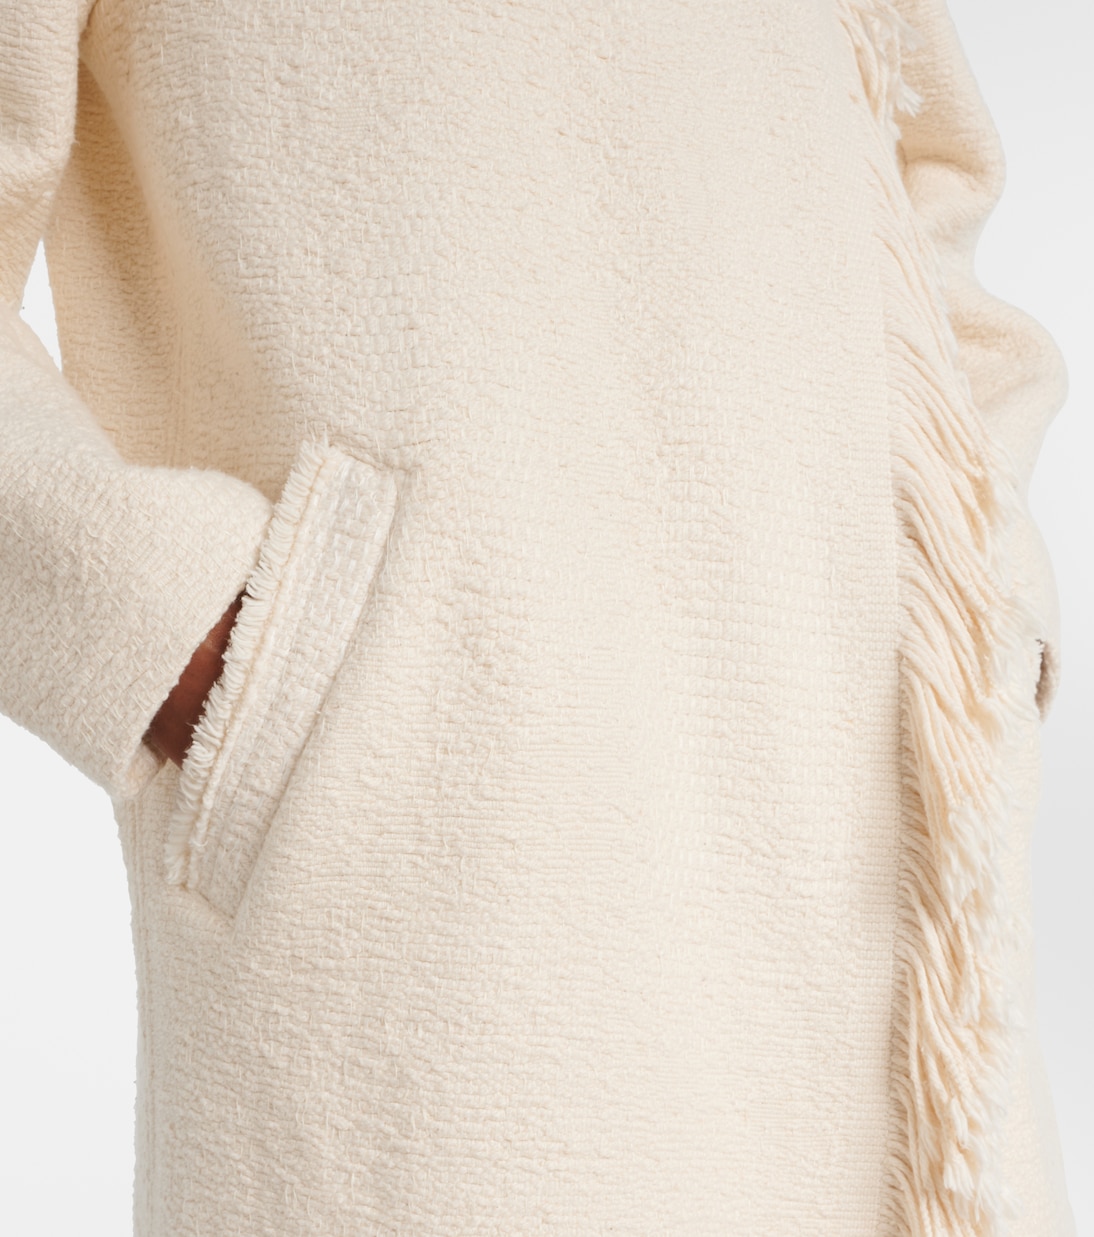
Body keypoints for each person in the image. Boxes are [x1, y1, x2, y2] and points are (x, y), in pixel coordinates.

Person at [0, 0, 1077, 1232]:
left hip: (866, 816)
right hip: (447, 846)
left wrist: (983, 596)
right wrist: (179, 632)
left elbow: (917, 166)